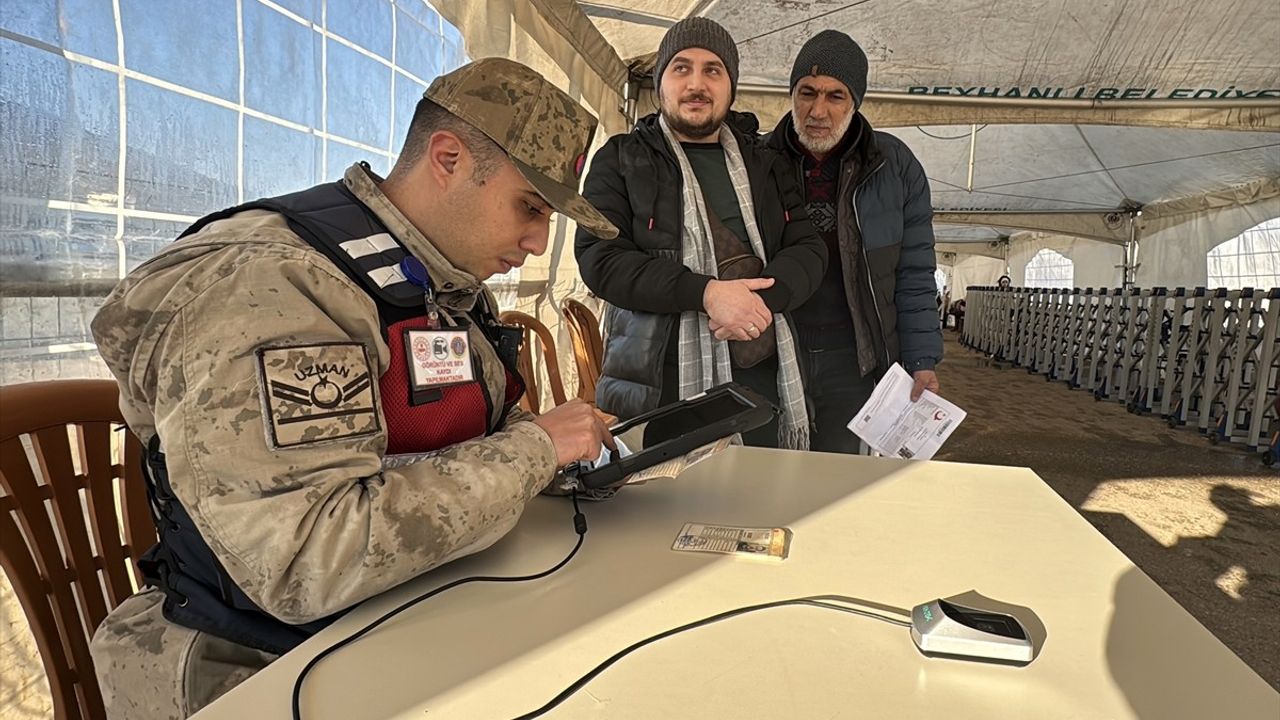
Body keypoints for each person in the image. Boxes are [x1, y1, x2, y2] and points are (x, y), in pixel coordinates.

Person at [88, 58, 618, 719]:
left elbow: (485, 424)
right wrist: (535, 451)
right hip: (252, 665)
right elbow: (307, 559)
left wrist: (560, 450)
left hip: (409, 613)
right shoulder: (274, 286)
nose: (539, 244)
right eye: (530, 208)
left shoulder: (440, 288)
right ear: (448, 158)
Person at [575, 17, 826, 450]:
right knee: (662, 509)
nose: (697, 83)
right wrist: (707, 294)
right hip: (660, 384)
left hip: (760, 369)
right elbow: (602, 259)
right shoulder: (621, 159)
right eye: (681, 68)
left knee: (755, 504)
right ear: (660, 83)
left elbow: (808, 247)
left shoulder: (766, 164)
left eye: (713, 70)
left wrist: (756, 303)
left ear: (730, 86)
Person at [763, 30, 942, 454]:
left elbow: (914, 271)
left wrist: (922, 361)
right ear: (791, 96)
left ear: (855, 102)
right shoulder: (760, 159)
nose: (817, 111)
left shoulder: (894, 167)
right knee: (767, 474)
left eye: (835, 96)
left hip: (853, 356)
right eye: (806, 93)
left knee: (837, 480)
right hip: (775, 352)